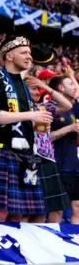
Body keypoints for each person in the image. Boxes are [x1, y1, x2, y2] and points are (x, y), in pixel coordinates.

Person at [0, 36, 52, 222]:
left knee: (19, 213)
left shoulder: (23, 84)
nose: (29, 56)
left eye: (29, 53)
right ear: (10, 56)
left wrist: (35, 122)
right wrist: (30, 116)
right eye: (24, 52)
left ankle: (11, 250)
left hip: (27, 153)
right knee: (0, 211)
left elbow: (22, 116)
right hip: (2, 151)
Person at [26, 75, 72, 223]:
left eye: (38, 89)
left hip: (48, 158)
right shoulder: (20, 109)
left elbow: (67, 105)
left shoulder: (42, 107)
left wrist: (45, 86)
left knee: (55, 208)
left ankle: (48, 241)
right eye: (33, 89)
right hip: (31, 158)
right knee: (31, 210)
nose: (37, 92)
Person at [49, 75, 79, 223]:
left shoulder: (73, 109)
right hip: (57, 164)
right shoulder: (51, 108)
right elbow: (46, 137)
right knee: (57, 210)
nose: (75, 87)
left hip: (73, 164)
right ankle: (51, 243)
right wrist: (70, 128)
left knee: (77, 206)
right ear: (61, 88)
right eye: (70, 84)